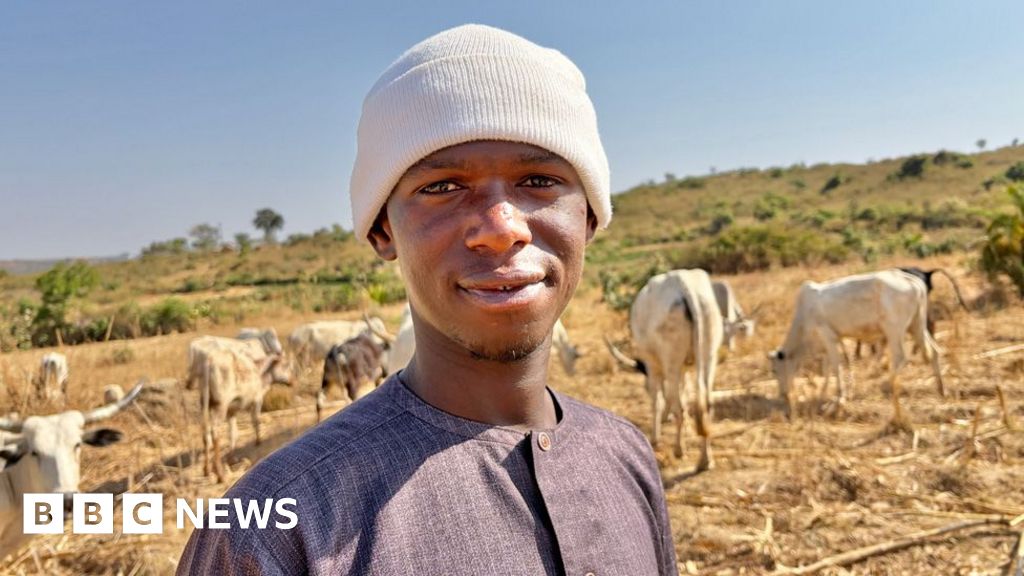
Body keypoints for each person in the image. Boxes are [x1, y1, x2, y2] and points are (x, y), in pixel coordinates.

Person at [177, 24, 678, 576]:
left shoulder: (627, 458)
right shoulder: (273, 532)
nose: (502, 228)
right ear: (381, 230)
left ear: (589, 218)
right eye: (442, 187)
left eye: (539, 179)